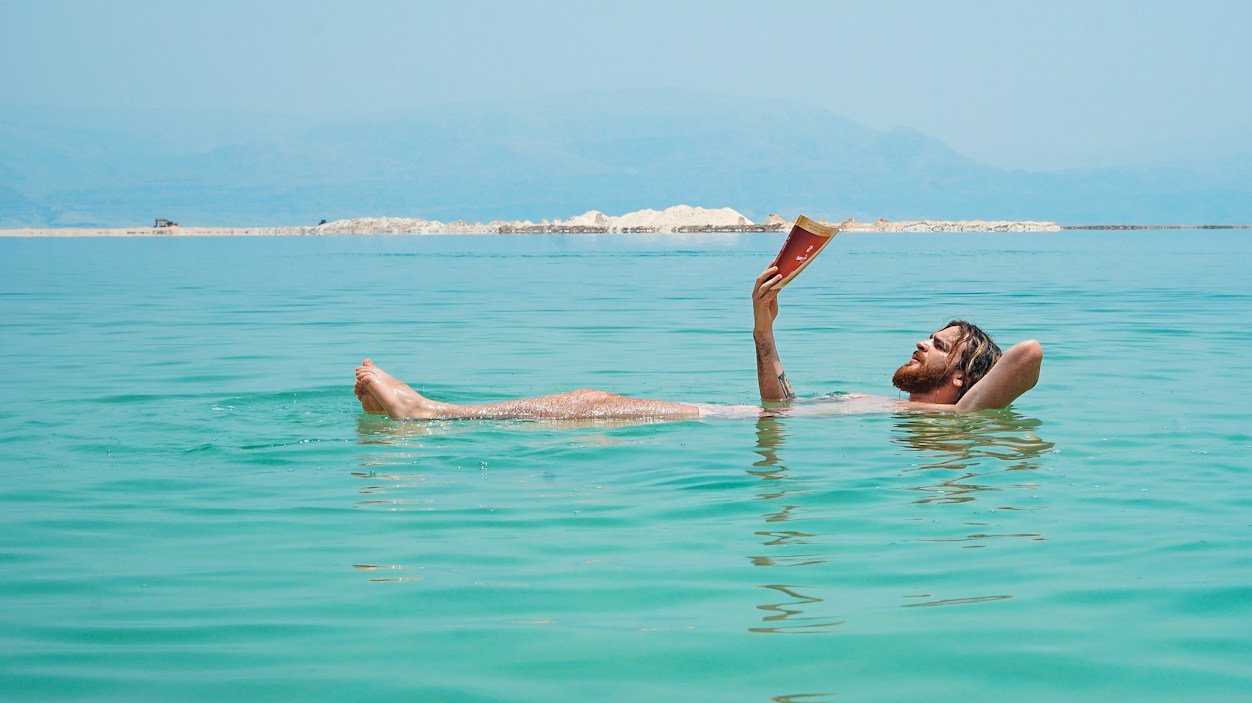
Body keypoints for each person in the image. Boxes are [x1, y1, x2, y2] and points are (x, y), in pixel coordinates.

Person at [353, 265, 1043, 421]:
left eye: (940, 343)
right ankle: (431, 412)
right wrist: (763, 328)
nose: (921, 341)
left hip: (722, 426)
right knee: (593, 403)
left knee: (592, 404)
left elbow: (1028, 353)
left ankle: (429, 414)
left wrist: (970, 398)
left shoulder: (956, 420)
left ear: (963, 373)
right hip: (750, 422)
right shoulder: (919, 420)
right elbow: (783, 409)